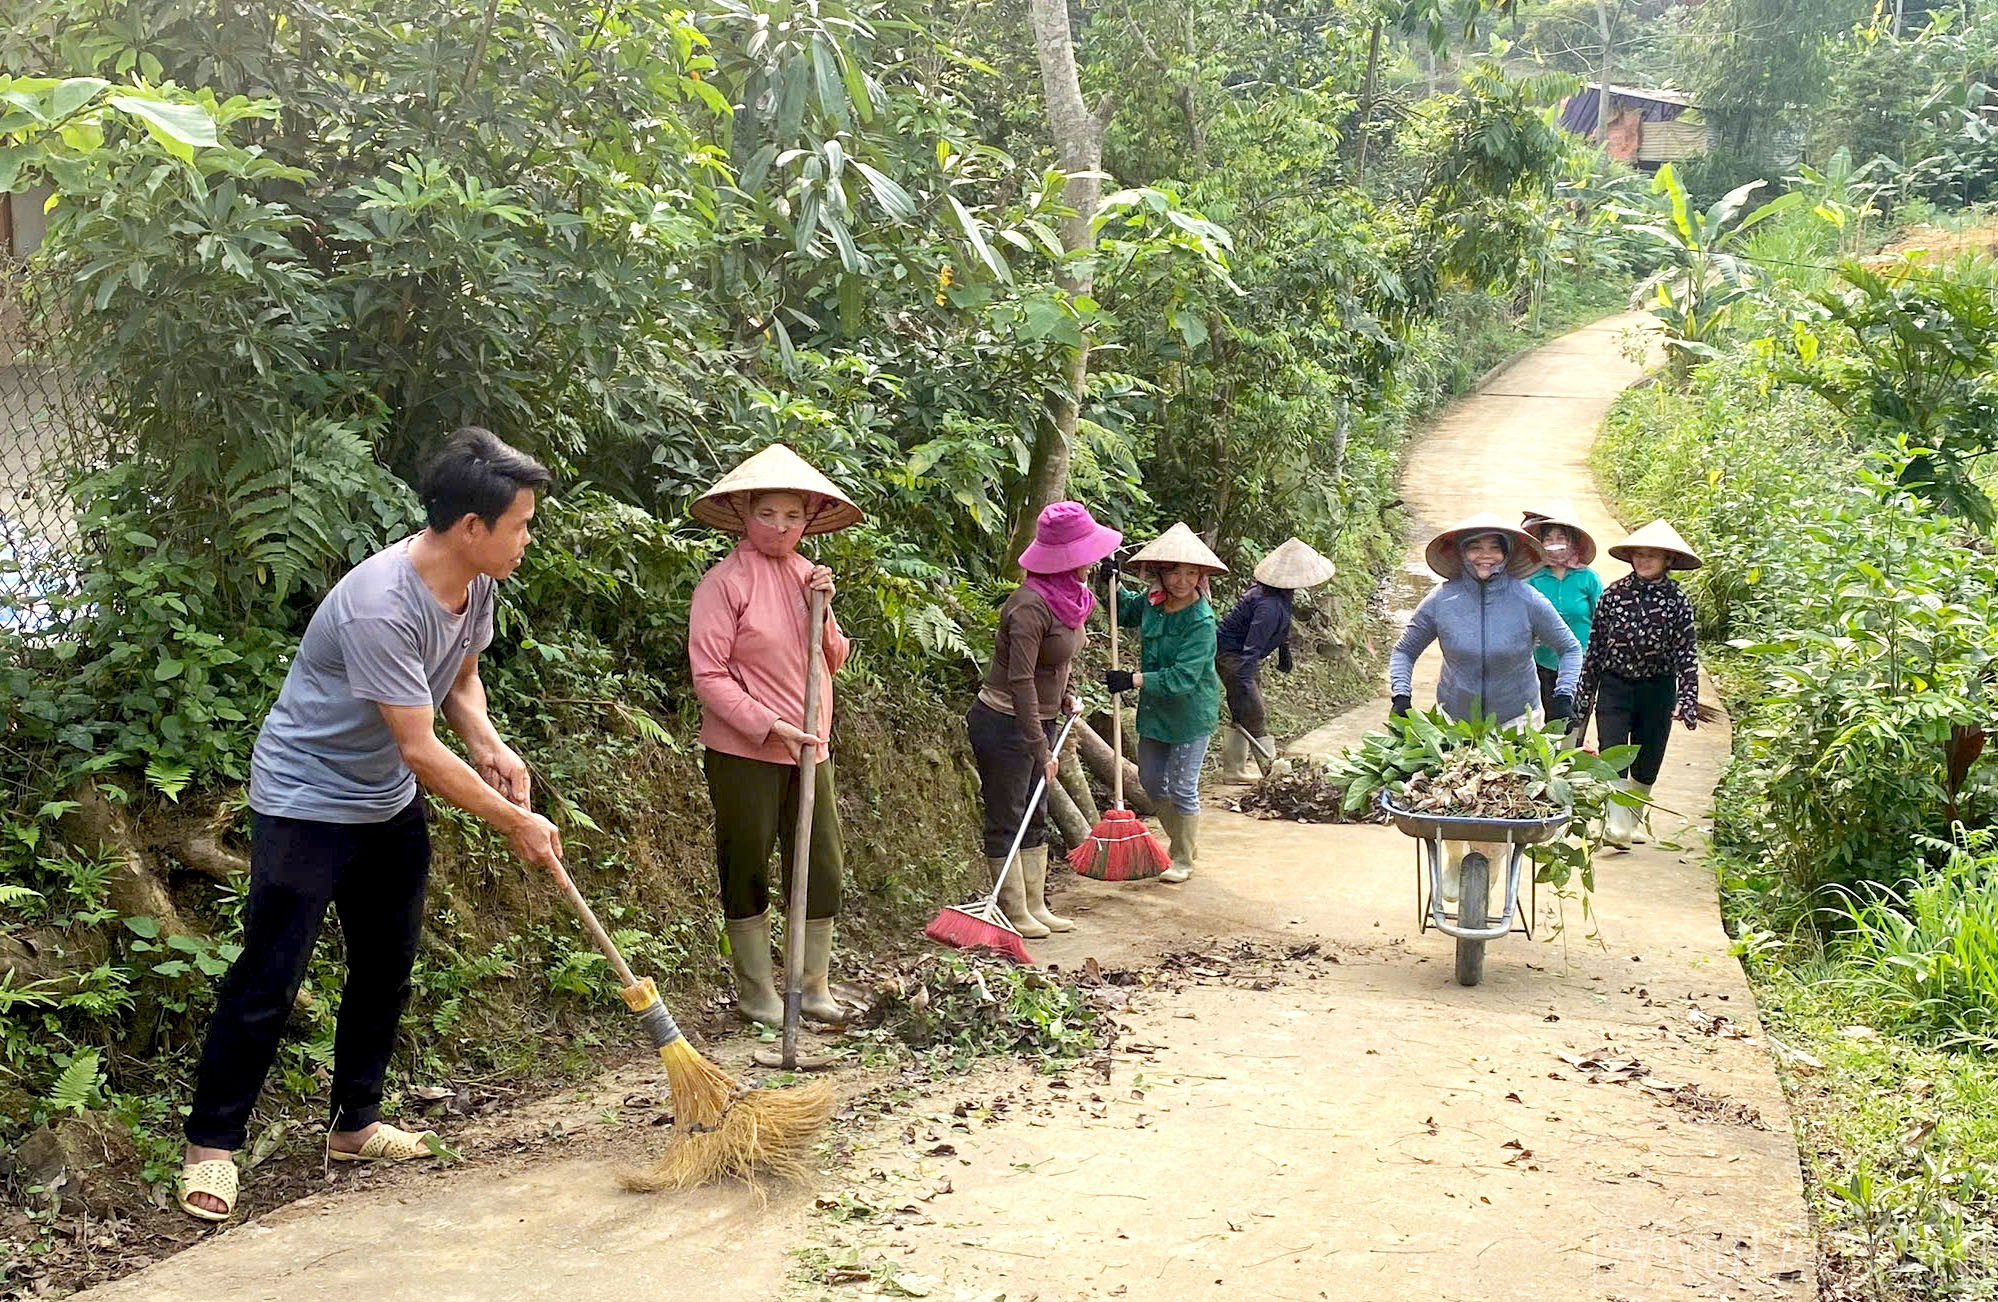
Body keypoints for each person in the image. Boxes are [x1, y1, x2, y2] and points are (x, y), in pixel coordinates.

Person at [180, 428, 561, 1223]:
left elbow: (458, 679)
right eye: (521, 524)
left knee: (386, 963)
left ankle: (354, 1124)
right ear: (471, 527)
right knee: (270, 976)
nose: (528, 538)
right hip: (306, 802)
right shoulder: (381, 603)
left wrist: (492, 747)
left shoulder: (475, 582)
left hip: (383, 801)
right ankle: (211, 1148)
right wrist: (512, 820)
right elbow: (419, 748)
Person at [688, 445, 863, 1028]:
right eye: (768, 514)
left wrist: (825, 607)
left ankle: (811, 985)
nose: (781, 527)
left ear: (808, 519)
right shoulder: (723, 583)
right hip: (746, 752)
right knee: (748, 863)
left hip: (812, 747)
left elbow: (832, 660)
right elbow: (708, 676)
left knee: (821, 863)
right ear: (744, 513)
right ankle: (758, 991)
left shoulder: (808, 576)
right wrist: (768, 725)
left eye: (793, 516)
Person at [1388, 513, 1582, 902]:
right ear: (1461, 553)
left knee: (1502, 810)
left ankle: (1488, 872)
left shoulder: (1527, 599)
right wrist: (1401, 696)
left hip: (1515, 723)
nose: (1485, 556)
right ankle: (1455, 856)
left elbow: (1570, 648)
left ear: (1508, 554)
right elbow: (1404, 651)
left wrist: (1563, 696)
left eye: (1495, 547)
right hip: (1454, 723)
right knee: (1450, 803)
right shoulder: (1442, 600)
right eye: (1475, 546)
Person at [968, 502, 1122, 937]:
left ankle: (1036, 904)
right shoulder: (1028, 607)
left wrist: (1068, 697)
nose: (1093, 562)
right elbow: (1020, 681)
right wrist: (1039, 747)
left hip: (1042, 719)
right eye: (1086, 554)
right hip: (1004, 722)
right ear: (1066, 557)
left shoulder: (1073, 599)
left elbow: (1056, 665)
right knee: (1008, 814)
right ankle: (1013, 910)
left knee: (1035, 812)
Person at [1105, 523, 1226, 884]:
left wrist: (1132, 680)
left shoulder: (1201, 621)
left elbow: (1182, 678)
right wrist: (1109, 584)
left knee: (1182, 786)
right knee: (1153, 781)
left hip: (1191, 715)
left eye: (1191, 572)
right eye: (1174, 571)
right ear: (1161, 571)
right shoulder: (1153, 605)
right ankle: (1180, 843)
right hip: (1155, 714)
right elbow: (1124, 611)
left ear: (1201, 577)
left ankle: (1183, 857)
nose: (1181, 580)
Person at [1577, 520, 1702, 849]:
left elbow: (1687, 654)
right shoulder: (1614, 595)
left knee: (1648, 760)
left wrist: (1687, 700)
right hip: (1615, 685)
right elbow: (1595, 649)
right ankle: (1616, 826)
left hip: (1657, 688)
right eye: (1639, 554)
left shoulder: (1678, 602)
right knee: (1613, 752)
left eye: (1652, 555)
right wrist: (1584, 695)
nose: (1644, 561)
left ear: (1667, 561)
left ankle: (1626, 822)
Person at [1215, 538, 1336, 784]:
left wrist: (1284, 653)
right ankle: (1270, 774)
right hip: (1234, 657)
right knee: (1254, 712)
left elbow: (1277, 632)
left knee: (1243, 710)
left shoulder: (1279, 594)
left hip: (1242, 656)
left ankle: (1235, 770)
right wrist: (1243, 680)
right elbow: (1253, 645)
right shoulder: (1268, 604)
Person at [1522, 506, 1604, 724]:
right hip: (1541, 662)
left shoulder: (1588, 578)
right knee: (1544, 725)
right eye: (1548, 538)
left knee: (1574, 724)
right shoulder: (1532, 578)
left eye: (1560, 538)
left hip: (1582, 665)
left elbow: (1603, 623)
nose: (1554, 543)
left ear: (1572, 542)